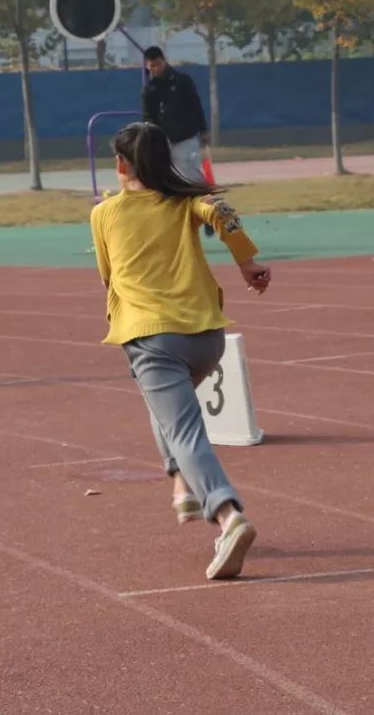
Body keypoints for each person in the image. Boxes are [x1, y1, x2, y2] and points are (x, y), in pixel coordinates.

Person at [90, 122, 272, 580]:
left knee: (186, 430)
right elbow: (222, 210)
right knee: (168, 410)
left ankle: (228, 514)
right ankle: (180, 483)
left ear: (120, 164)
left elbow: (107, 276)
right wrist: (247, 262)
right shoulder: (186, 202)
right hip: (206, 337)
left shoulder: (104, 214)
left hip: (152, 338)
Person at [141, 47, 209, 186]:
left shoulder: (182, 81)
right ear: (147, 66)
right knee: (171, 176)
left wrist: (203, 129)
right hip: (165, 140)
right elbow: (148, 116)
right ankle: (195, 196)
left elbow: (195, 104)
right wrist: (152, 136)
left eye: (158, 63)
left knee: (188, 171)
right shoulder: (149, 90)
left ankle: (203, 194)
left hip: (187, 136)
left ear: (164, 61)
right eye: (152, 65)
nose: (156, 68)